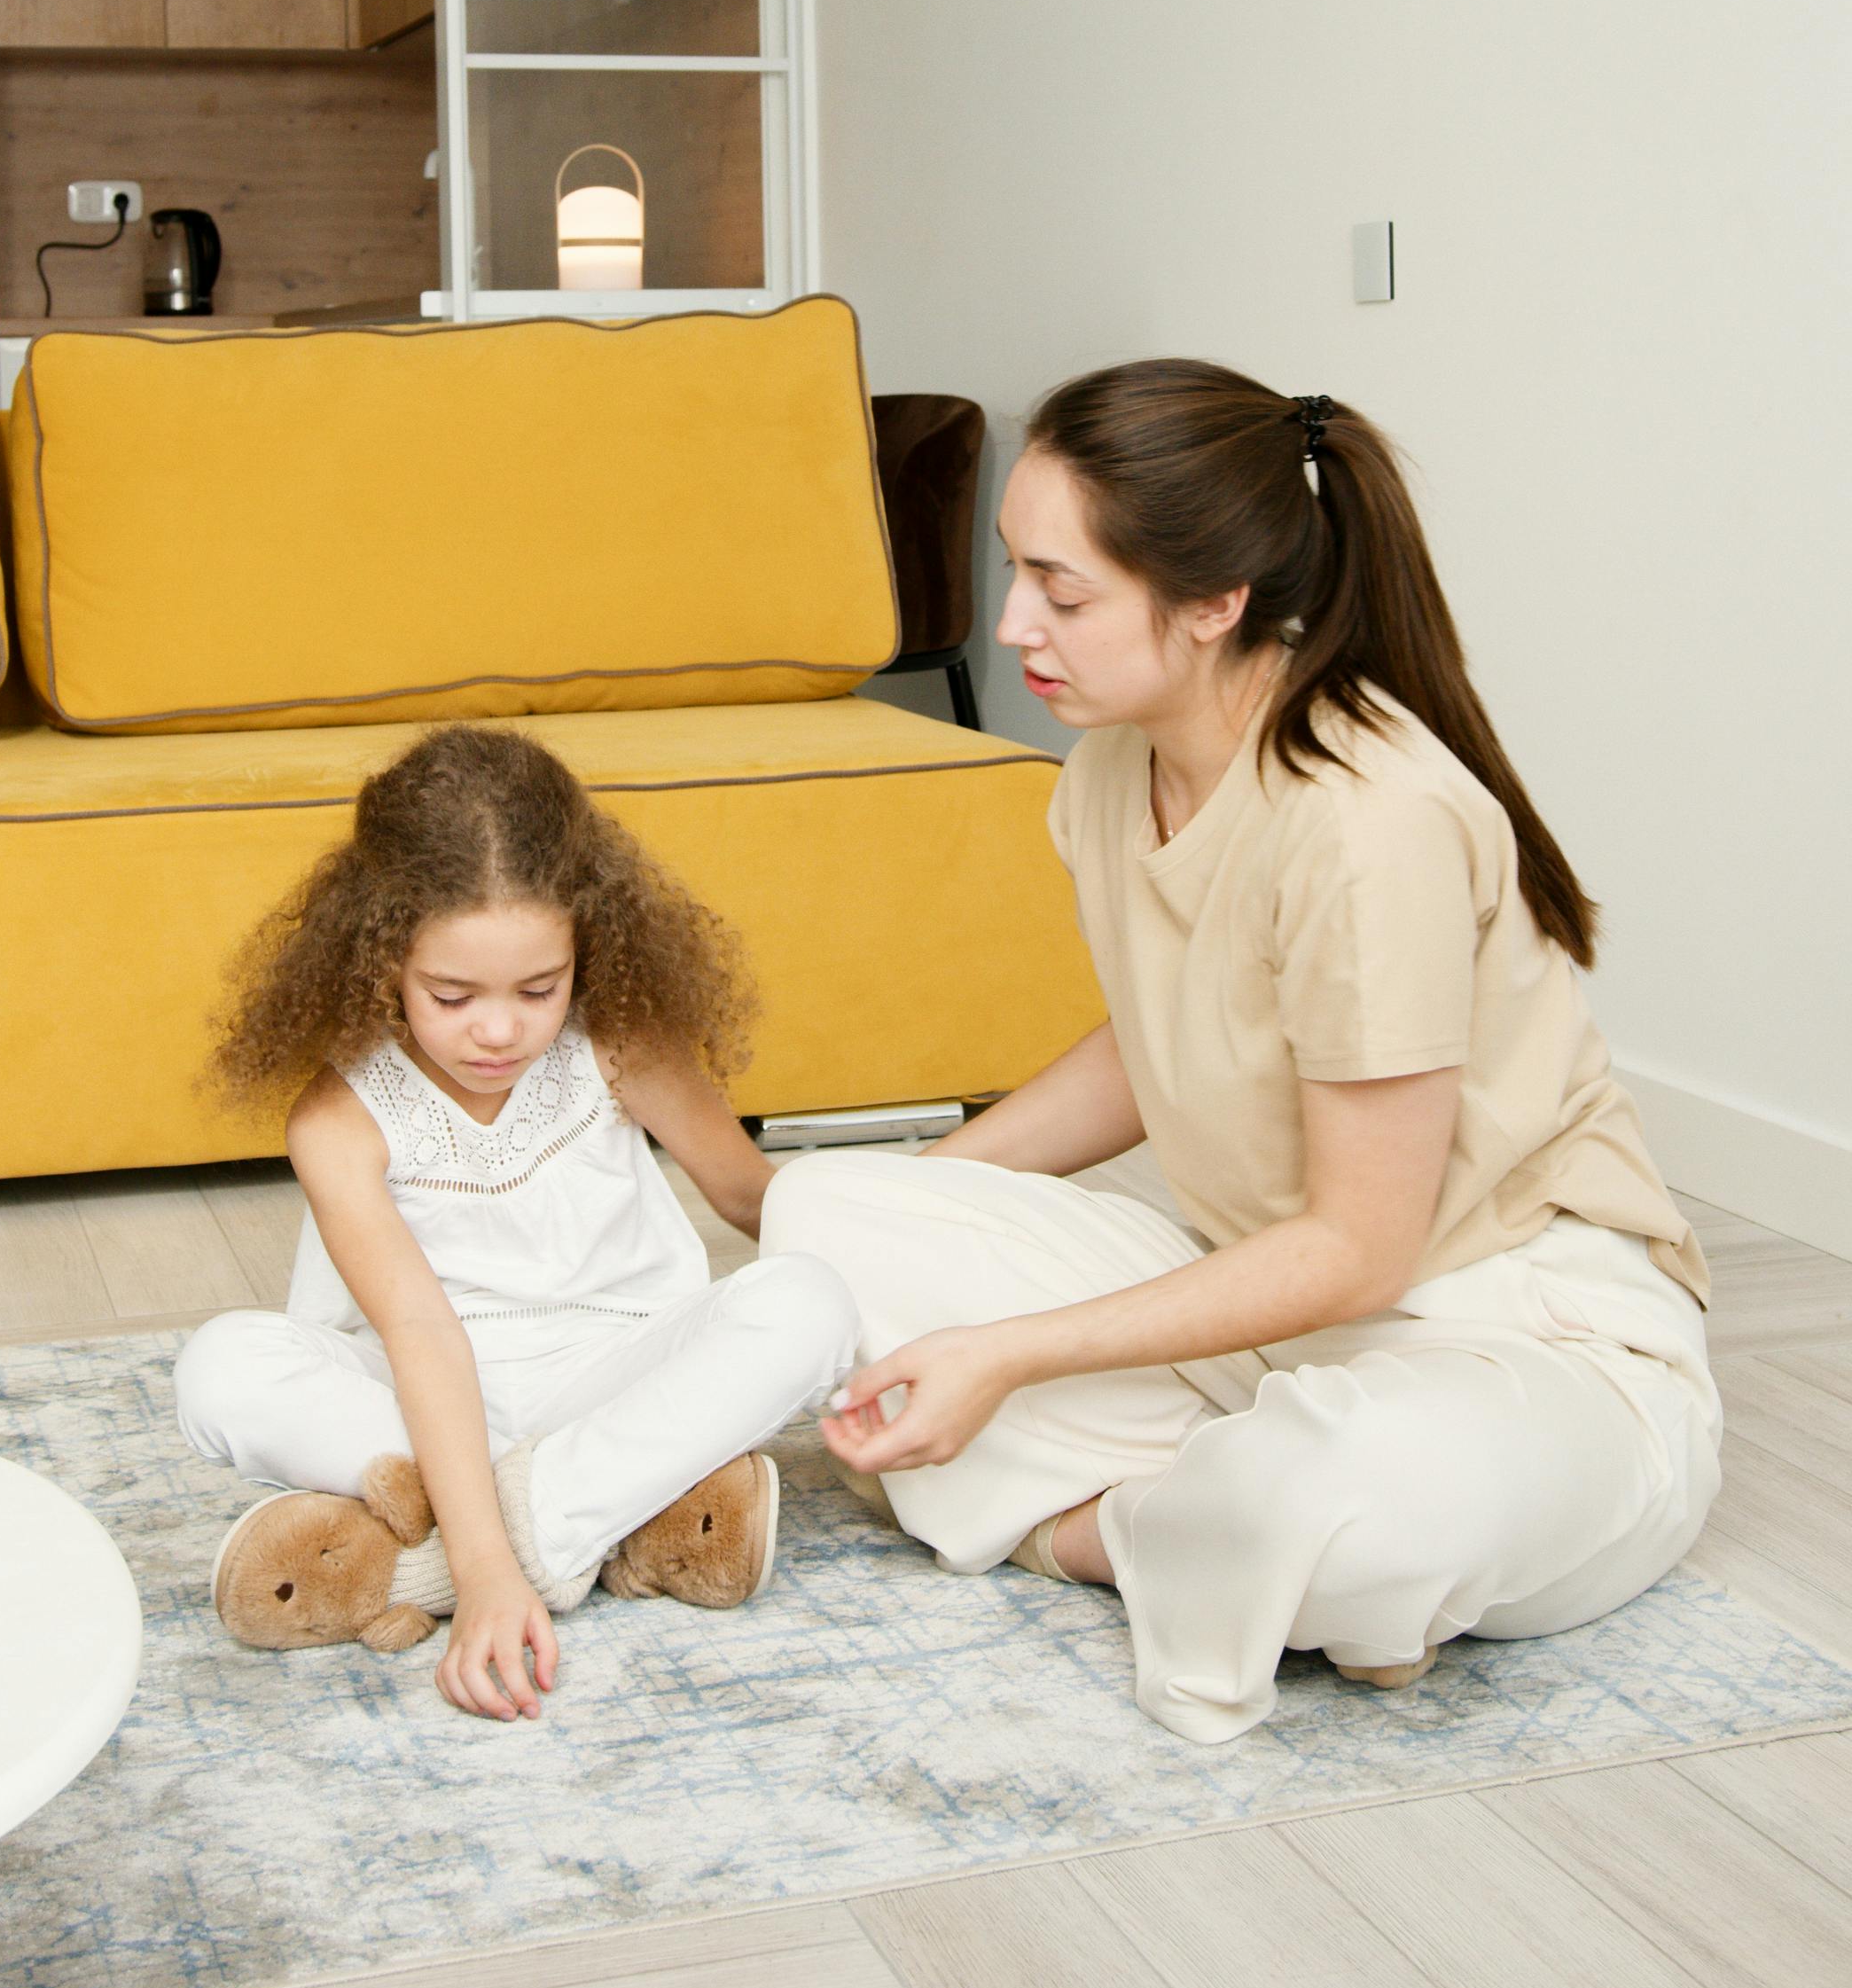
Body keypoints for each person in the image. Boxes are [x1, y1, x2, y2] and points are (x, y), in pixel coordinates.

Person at [763, 363, 1722, 1747]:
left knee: (1360, 1501)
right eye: (1014, 574)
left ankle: (1097, 1532)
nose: (1016, 624)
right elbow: (1154, 1039)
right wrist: (927, 1204)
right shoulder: (1114, 762)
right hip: (1269, 1336)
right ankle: (1231, 1540)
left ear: (1213, 604)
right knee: (821, 1214)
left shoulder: (1366, 821)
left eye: (1064, 591)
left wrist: (1009, 1355)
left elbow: (1361, 1254)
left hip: (1522, 1343)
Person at [176, 724, 856, 1720]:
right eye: (451, 996)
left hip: (615, 1378)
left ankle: (424, 1564)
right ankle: (609, 1518)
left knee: (810, 1302)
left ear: (588, 944)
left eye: (540, 990)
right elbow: (418, 1332)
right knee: (221, 1368)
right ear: (382, 959)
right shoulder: (338, 1115)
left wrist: (919, 1273)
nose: (499, 1030)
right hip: (421, 1399)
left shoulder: (622, 1040)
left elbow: (757, 1200)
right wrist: (494, 1569)